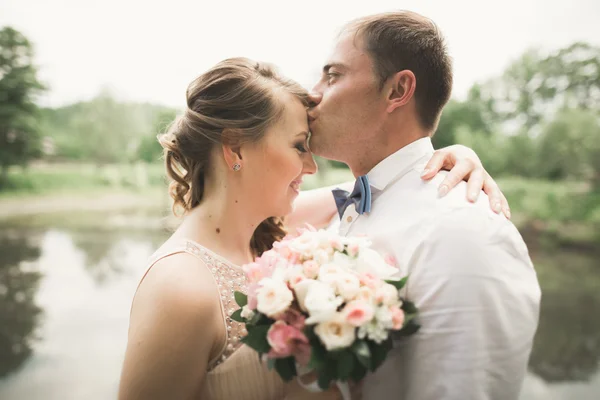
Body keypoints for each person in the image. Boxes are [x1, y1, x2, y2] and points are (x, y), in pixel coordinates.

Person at [117, 57, 510, 400]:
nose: (311, 166)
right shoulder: (179, 286)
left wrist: (447, 156)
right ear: (236, 149)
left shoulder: (264, 228)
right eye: (298, 145)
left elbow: (371, 185)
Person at [307, 11, 542, 400]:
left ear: (398, 90)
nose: (312, 93)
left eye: (333, 75)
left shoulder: (465, 231)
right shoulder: (347, 204)